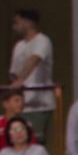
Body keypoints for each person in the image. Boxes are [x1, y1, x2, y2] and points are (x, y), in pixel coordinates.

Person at [8, 8, 55, 142]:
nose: (14, 26)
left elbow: (34, 60)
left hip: (39, 104)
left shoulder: (43, 40)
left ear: (28, 22)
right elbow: (14, 74)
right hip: (21, 105)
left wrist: (21, 80)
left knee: (35, 141)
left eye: (17, 22)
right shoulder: (18, 46)